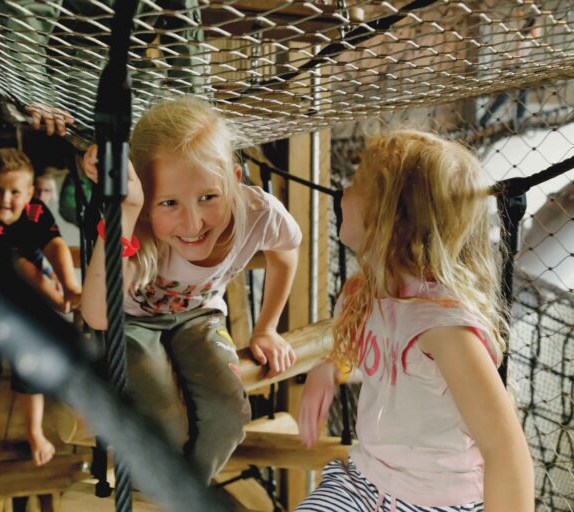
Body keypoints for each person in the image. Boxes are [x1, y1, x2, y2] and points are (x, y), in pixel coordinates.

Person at [296, 131, 534, 511]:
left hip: (437, 501)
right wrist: (331, 369)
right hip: (366, 482)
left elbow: (505, 449)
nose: (343, 191)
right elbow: (379, 359)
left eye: (356, 183)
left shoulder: (444, 329)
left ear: (391, 219)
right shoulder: (369, 291)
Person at [79, 97, 301, 482]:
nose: (193, 222)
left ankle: (182, 494)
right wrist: (126, 211)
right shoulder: (137, 226)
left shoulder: (259, 212)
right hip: (132, 323)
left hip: (199, 317)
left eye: (208, 197)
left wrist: (267, 327)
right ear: (147, 201)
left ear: (233, 179)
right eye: (168, 203)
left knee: (229, 416)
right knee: (165, 421)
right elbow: (98, 315)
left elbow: (286, 254)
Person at [0, 147, 82, 468]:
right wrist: (59, 301)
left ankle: (34, 431)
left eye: (15, 192)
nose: (5, 199)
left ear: (30, 194)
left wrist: (70, 286)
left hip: (25, 293)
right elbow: (22, 270)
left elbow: (54, 245)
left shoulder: (36, 212)